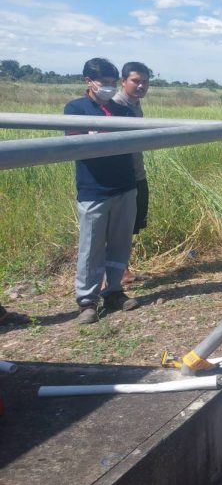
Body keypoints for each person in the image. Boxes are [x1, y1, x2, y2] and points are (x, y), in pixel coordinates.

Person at [64, 57, 140, 324]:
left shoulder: (122, 109)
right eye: (103, 82)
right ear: (88, 81)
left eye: (112, 82)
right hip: (94, 188)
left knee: (120, 243)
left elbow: (134, 142)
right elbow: (74, 143)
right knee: (91, 247)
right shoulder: (76, 108)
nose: (108, 87)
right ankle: (87, 301)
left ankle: (114, 291)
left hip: (124, 185)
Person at [111, 61, 152, 284]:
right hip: (121, 175)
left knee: (132, 224)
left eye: (145, 82)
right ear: (123, 81)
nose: (141, 86)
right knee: (120, 225)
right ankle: (116, 273)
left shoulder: (135, 105)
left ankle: (123, 269)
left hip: (137, 172)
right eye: (136, 81)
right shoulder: (116, 105)